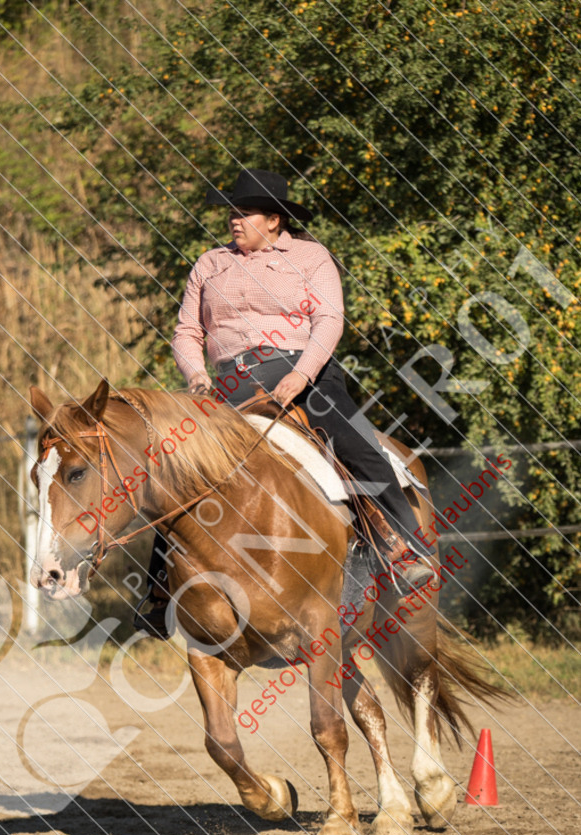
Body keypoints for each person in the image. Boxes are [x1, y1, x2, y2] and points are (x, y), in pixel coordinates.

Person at [135, 169, 433, 636]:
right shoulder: (209, 264)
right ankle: (159, 591)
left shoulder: (312, 257)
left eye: (244, 212)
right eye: (231, 212)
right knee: (179, 465)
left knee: (352, 441)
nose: (234, 220)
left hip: (303, 372)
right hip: (228, 383)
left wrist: (302, 374)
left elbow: (330, 319)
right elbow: (187, 332)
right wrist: (196, 375)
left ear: (274, 219)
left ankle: (401, 548)